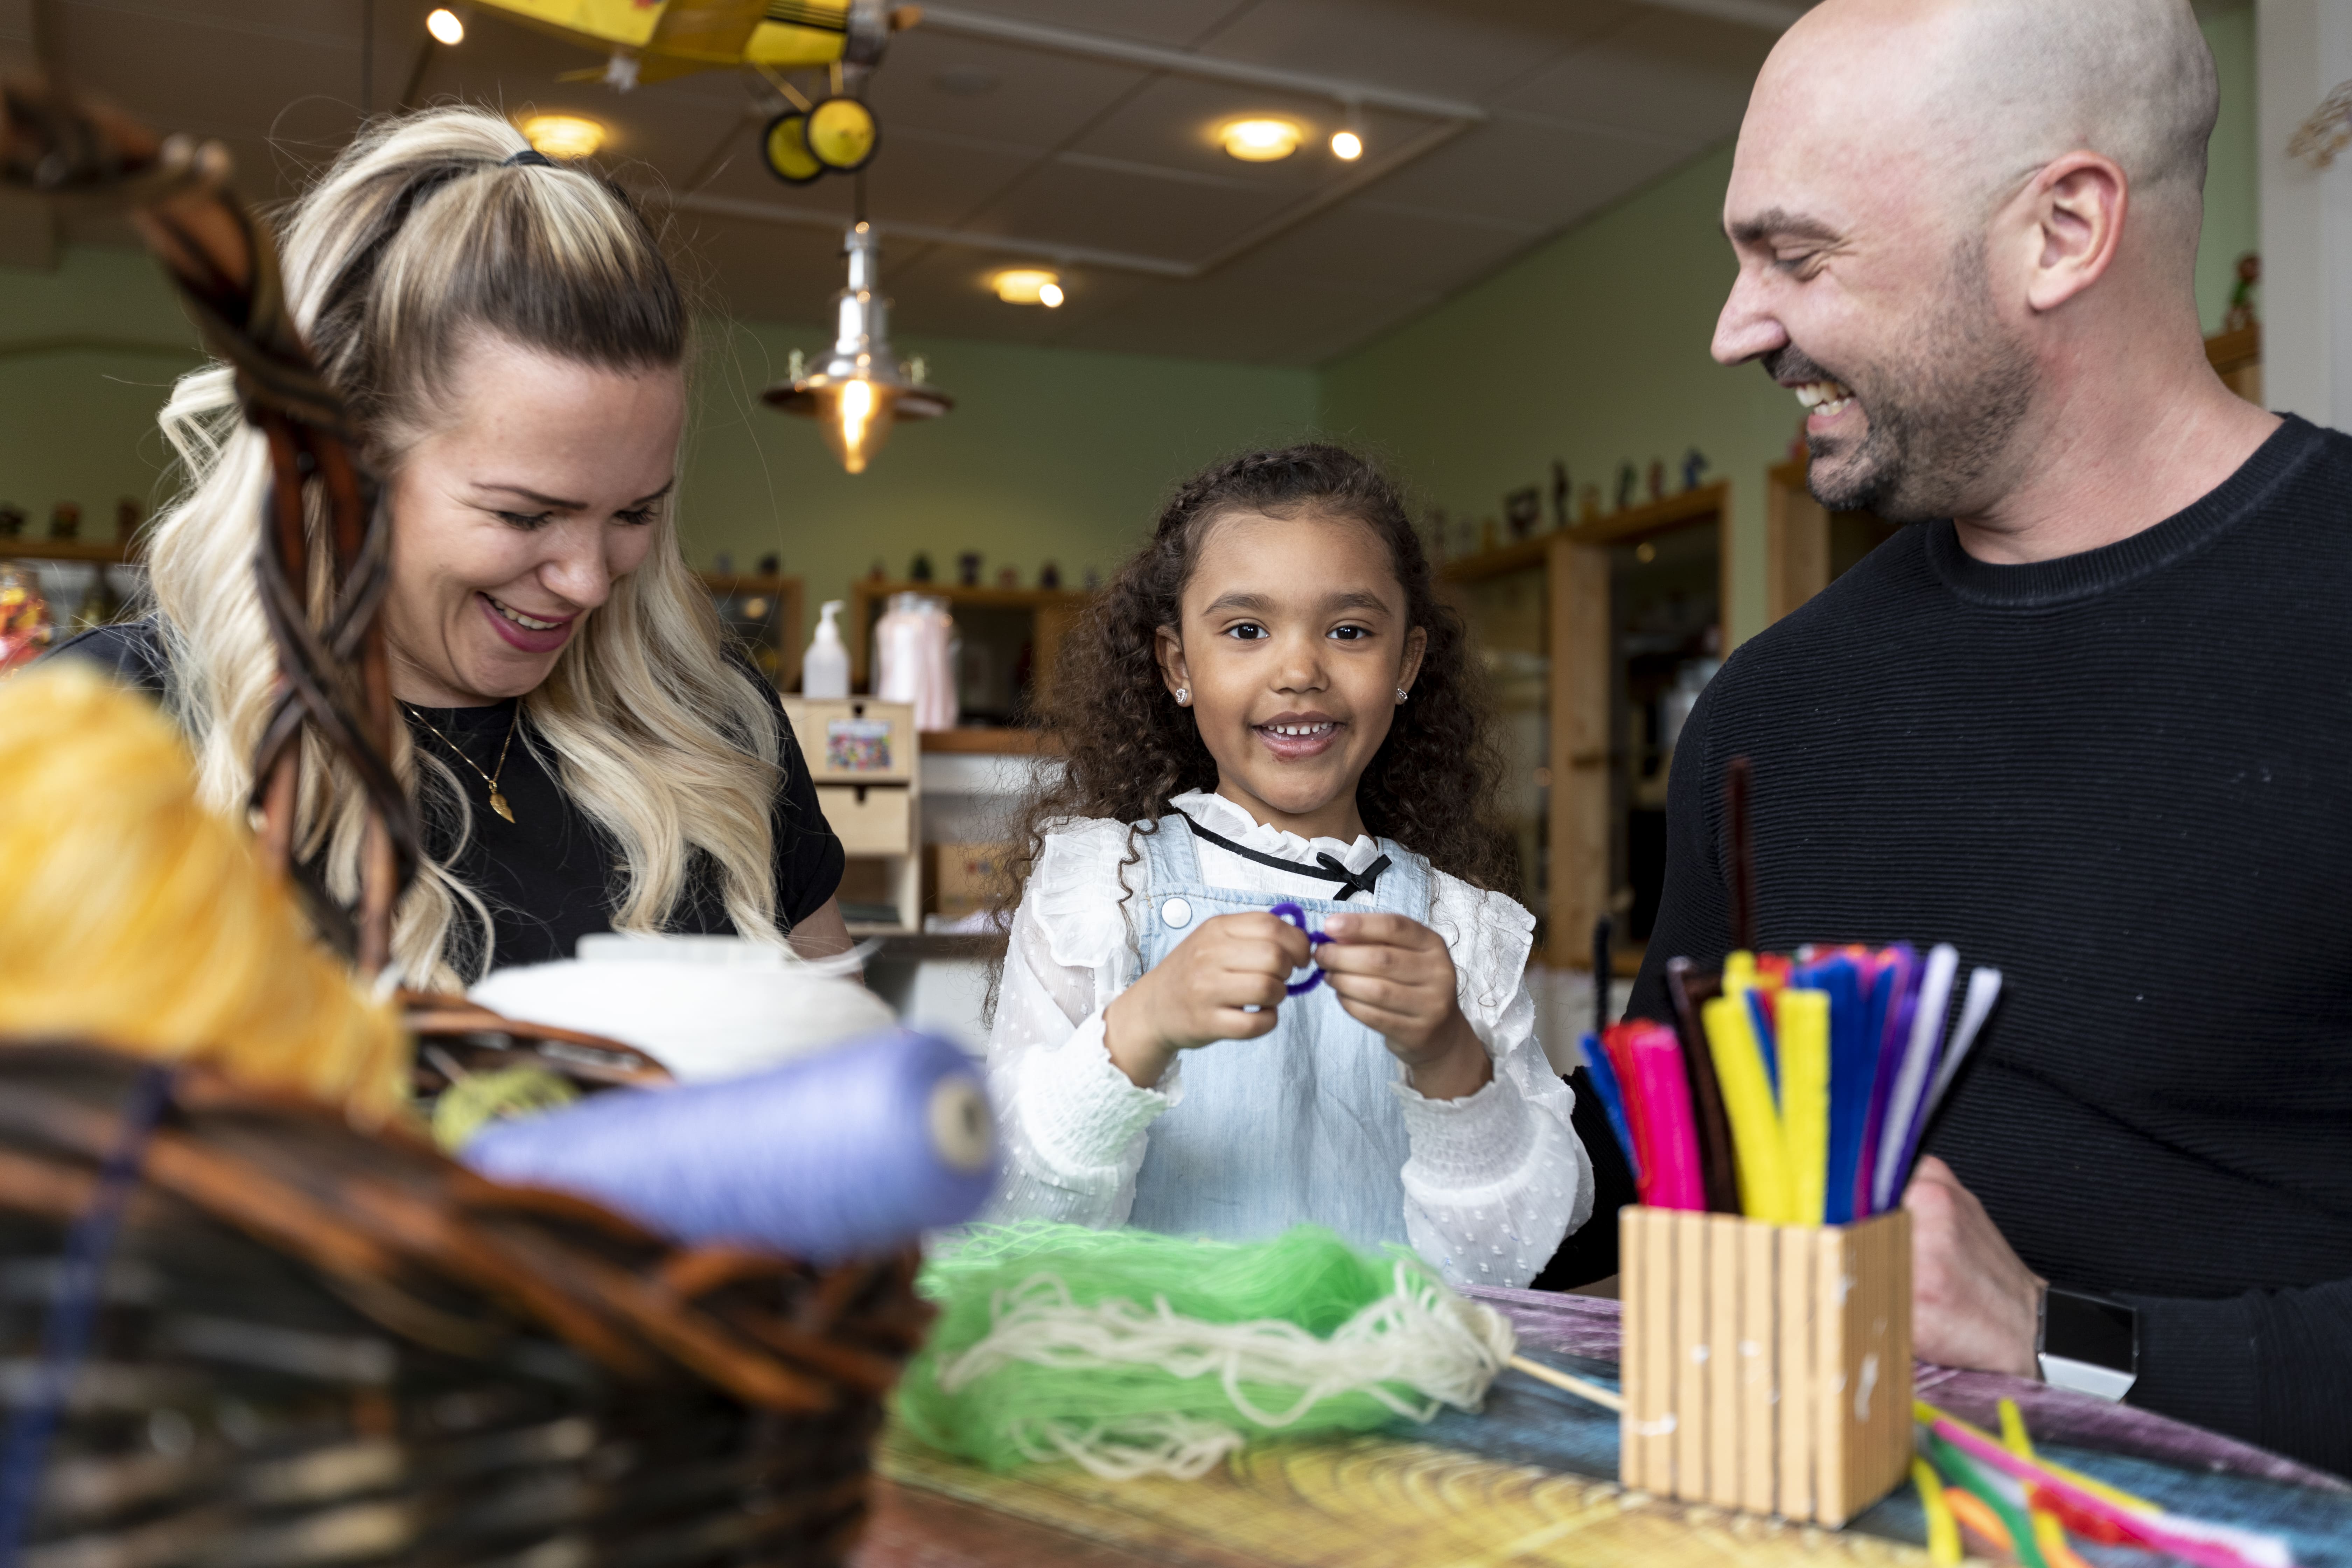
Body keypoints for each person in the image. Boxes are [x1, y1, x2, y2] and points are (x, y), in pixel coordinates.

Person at [1632, 0, 2351, 1471]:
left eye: (1797, 252)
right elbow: (1657, 1188)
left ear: (2063, 230)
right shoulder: (1769, 712)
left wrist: (2054, 1333)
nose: (1735, 326)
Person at [54, 107, 847, 989]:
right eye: (524, 516)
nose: (587, 582)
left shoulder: (714, 721)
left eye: (635, 513)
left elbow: (853, 1098)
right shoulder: (107, 731)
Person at [982, 446, 1592, 1288]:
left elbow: (1510, 1255)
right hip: (1157, 1399)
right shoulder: (1100, 890)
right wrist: (1143, 1024)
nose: (1300, 671)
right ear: (1178, 665)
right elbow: (1014, 1220)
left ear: (1406, 664)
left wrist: (1450, 1057)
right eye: (1245, 630)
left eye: (1350, 631)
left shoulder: (1463, 928)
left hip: (1389, 1401)